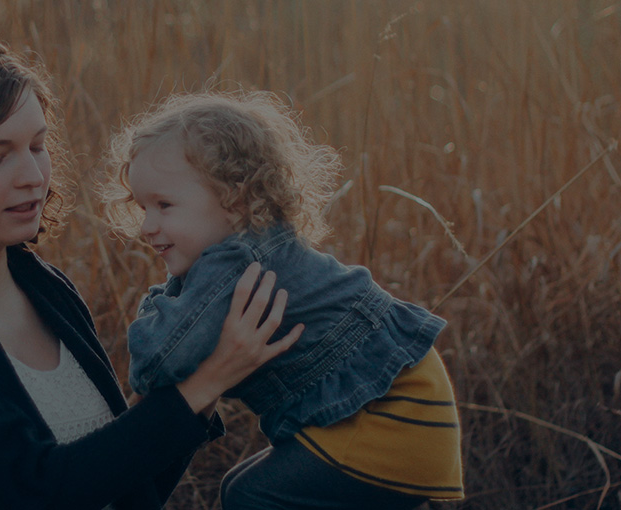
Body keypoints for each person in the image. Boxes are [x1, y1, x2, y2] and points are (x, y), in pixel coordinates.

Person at [0, 37, 304, 510]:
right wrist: (206, 381)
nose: (33, 176)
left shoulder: (47, 288)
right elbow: (27, 492)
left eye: (38, 146)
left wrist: (208, 375)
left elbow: (122, 487)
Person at [102, 91, 464, 509]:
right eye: (142, 206)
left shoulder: (234, 265)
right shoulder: (259, 246)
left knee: (251, 495)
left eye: (164, 205)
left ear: (233, 199)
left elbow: (156, 363)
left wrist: (159, 304)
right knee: (239, 483)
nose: (147, 226)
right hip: (409, 408)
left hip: (388, 420)